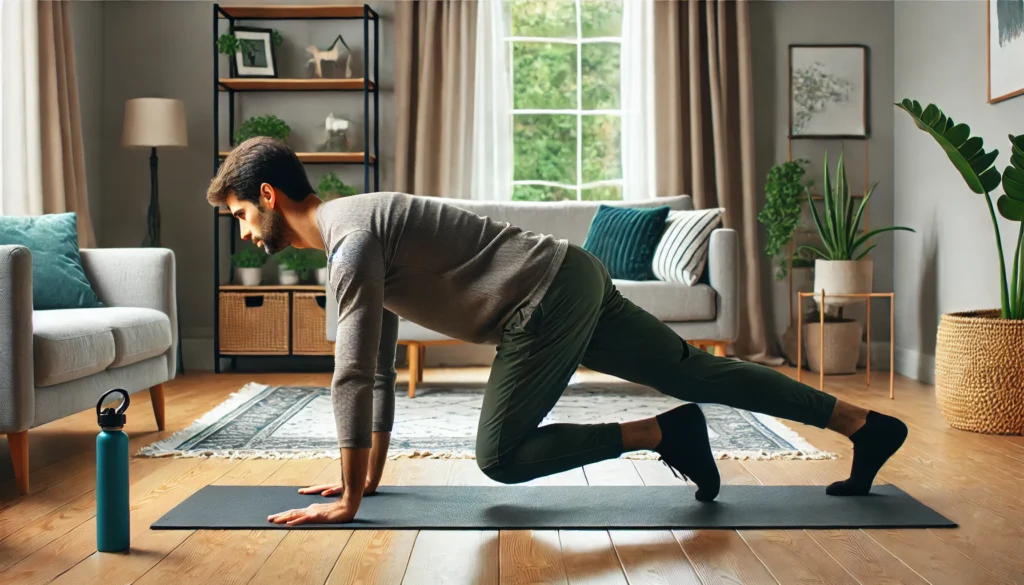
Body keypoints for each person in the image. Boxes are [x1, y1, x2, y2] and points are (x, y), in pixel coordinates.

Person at [206, 137, 909, 526]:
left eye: (240, 213)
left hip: (541, 301)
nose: (244, 230)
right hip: (570, 276)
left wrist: (352, 498)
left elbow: (352, 373)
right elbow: (379, 366)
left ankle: (664, 433)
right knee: (695, 370)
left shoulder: (350, 240)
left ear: (269, 195)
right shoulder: (357, 230)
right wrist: (364, 481)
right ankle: (862, 424)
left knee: (500, 456)